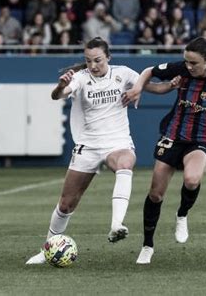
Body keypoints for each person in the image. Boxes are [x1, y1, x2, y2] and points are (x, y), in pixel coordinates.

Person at [25, 37, 178, 265]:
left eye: (97, 60)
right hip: (88, 144)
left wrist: (172, 85)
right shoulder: (80, 78)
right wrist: (60, 85)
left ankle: (116, 224)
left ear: (108, 57)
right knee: (67, 203)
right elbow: (58, 95)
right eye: (88, 61)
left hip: (117, 142)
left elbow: (153, 87)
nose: (93, 65)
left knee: (126, 163)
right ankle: (47, 248)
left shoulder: (123, 73)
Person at [122, 37, 206, 265]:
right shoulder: (181, 68)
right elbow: (149, 70)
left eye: (193, 63)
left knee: (192, 179)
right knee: (156, 193)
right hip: (173, 136)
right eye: (186, 61)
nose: (187, 66)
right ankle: (147, 245)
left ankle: (182, 214)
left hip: (202, 139)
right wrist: (138, 88)